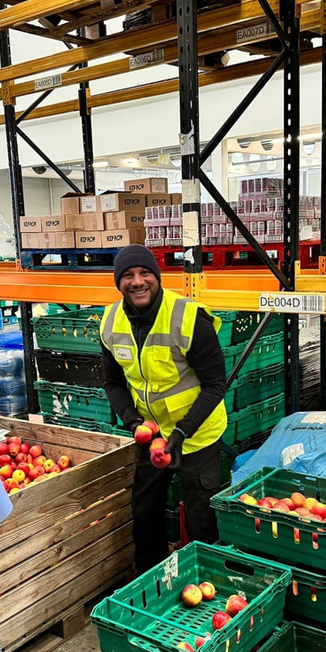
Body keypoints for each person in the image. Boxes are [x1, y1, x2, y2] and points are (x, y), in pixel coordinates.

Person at [100, 245, 228, 572]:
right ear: (119, 283)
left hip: (196, 435)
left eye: (145, 274)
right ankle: (150, 581)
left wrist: (183, 432)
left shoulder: (187, 318)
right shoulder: (111, 321)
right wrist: (132, 422)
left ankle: (206, 583)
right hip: (153, 435)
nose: (137, 282)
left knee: (201, 519)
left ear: (157, 278)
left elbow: (216, 385)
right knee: (145, 514)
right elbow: (113, 382)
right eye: (128, 276)